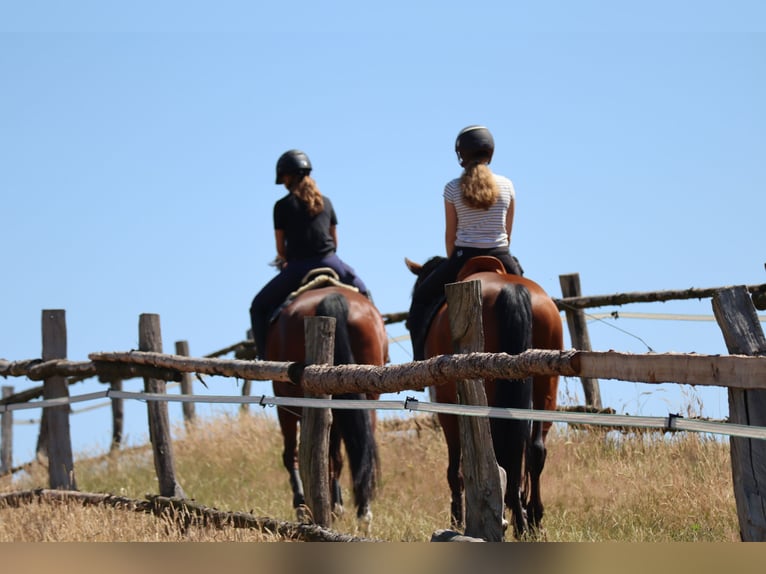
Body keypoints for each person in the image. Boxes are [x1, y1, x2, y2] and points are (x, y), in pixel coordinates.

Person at [407, 125, 523, 360]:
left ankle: (419, 361)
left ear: (461, 155)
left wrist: (454, 258)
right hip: (501, 255)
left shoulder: (452, 188)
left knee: (421, 300)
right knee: (527, 297)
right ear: (490, 152)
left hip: (463, 257)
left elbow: (450, 235)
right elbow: (508, 233)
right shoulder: (507, 185)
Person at [249, 149, 369, 359]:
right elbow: (335, 241)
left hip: (298, 267)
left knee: (258, 307)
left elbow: (280, 250)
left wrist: (287, 259)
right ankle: (383, 349)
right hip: (331, 262)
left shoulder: (282, 206)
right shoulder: (327, 202)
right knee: (364, 293)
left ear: (288, 176)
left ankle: (264, 359)